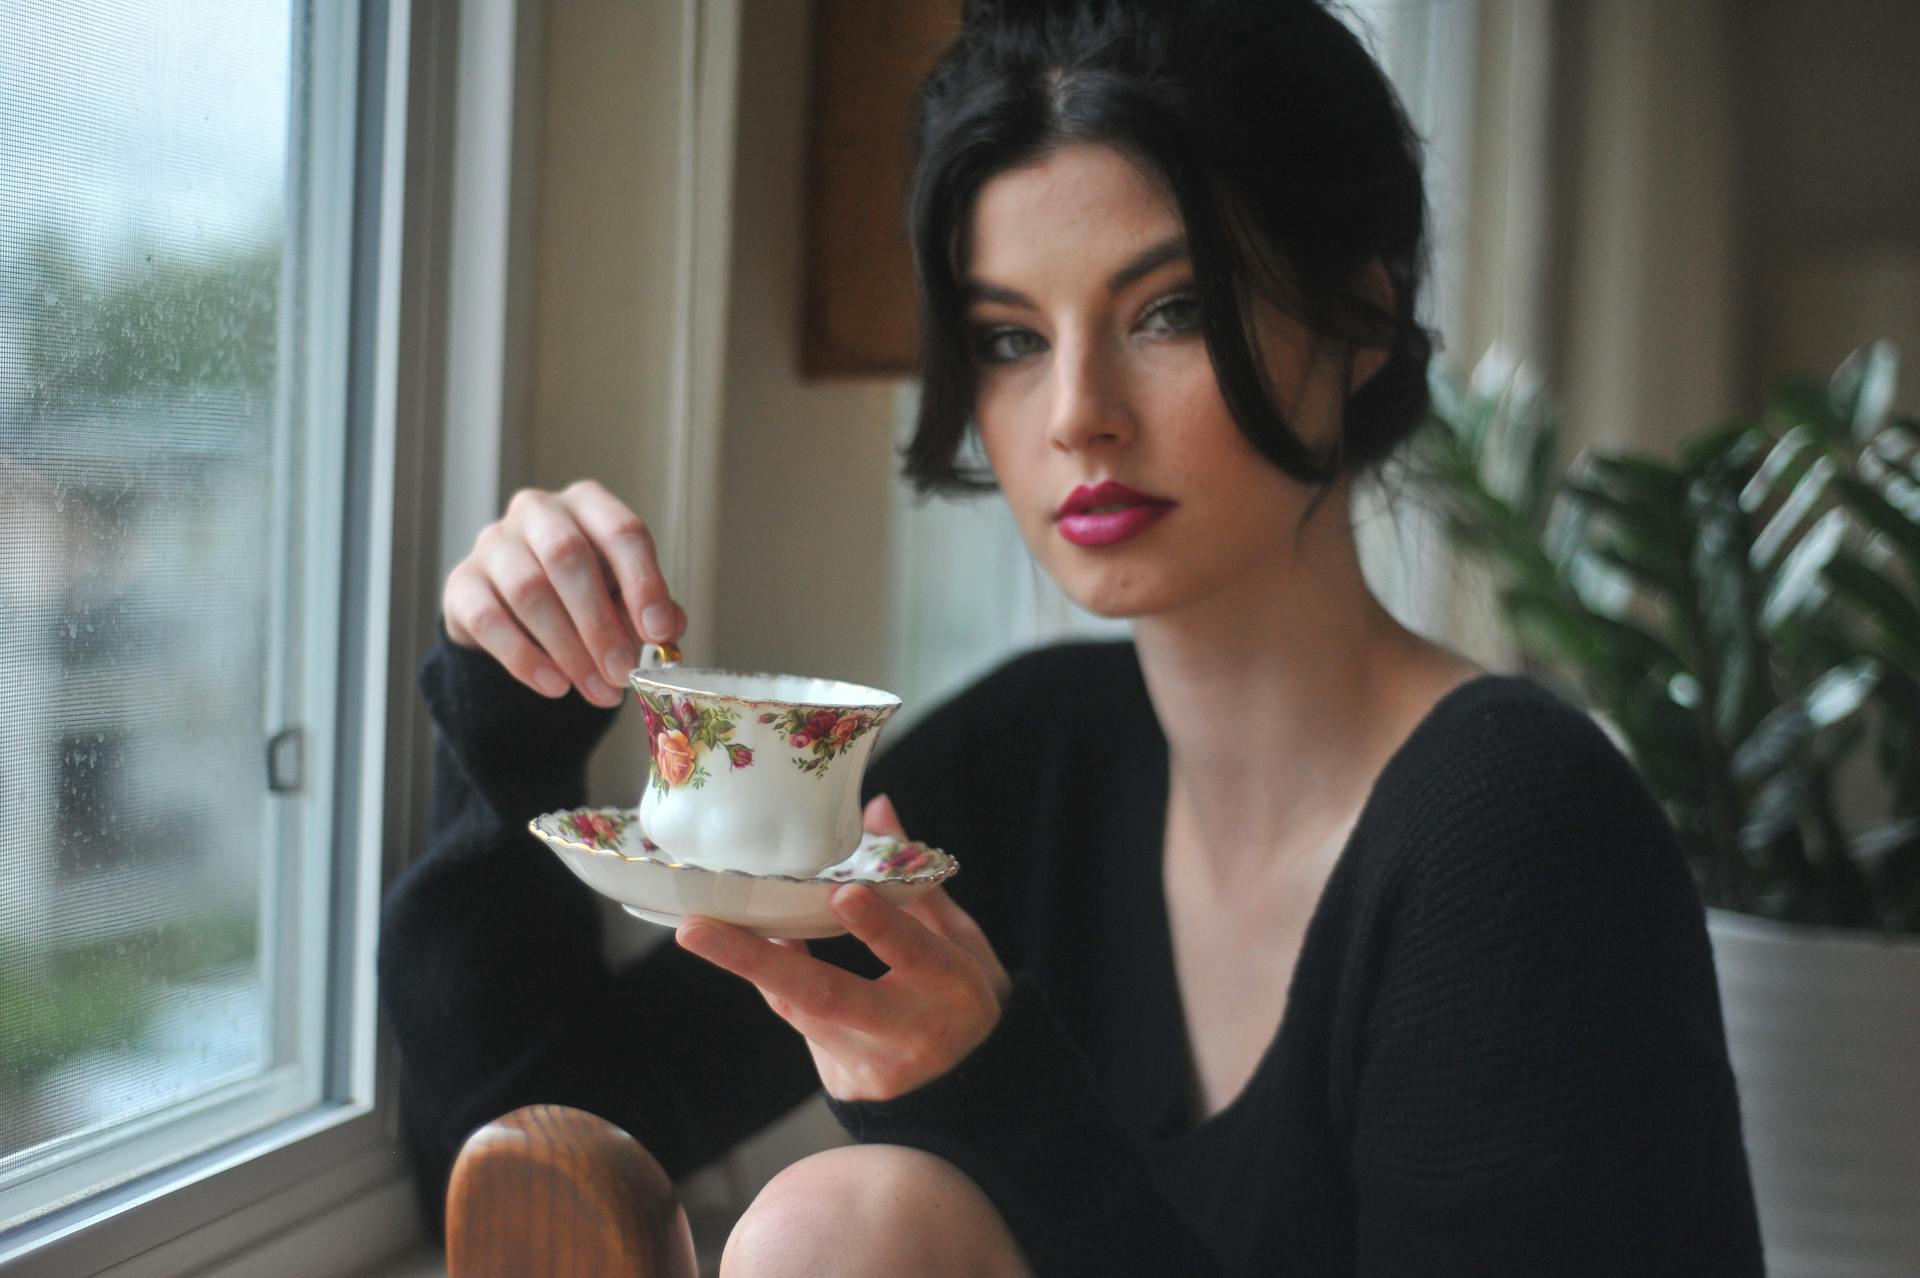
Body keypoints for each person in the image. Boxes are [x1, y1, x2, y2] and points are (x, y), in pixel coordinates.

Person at [379, 1, 1765, 1273]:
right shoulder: (1029, 765)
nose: (1075, 415)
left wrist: (1002, 1103)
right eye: (1007, 338)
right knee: (839, 1226)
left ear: (1364, 311)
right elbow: (513, 1149)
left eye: (1167, 309)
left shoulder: (1518, 834)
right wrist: (520, 706)